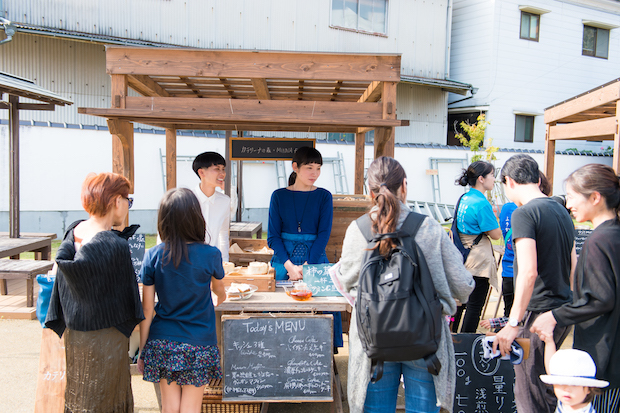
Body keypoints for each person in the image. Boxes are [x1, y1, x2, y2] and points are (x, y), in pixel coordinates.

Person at [335, 156, 474, 413]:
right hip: (424, 338)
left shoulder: (358, 230)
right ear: (405, 186)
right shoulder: (430, 228)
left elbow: (347, 280)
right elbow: (463, 286)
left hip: (373, 341)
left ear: (369, 190)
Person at [45, 172, 144, 413]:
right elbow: (128, 297)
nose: (128, 206)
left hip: (75, 333)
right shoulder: (114, 244)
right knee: (109, 398)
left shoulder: (73, 232)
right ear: (115, 201)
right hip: (107, 336)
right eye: (127, 200)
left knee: (81, 394)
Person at [531, 163, 620, 412]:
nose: (568, 204)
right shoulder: (613, 235)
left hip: (604, 351)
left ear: (595, 197)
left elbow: (601, 299)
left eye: (571, 197)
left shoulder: (599, 240)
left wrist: (554, 316)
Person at [493, 154, 575, 413]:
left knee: (529, 391)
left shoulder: (524, 214)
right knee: (547, 387)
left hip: (536, 314)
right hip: (561, 310)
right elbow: (573, 262)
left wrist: (513, 323)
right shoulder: (561, 210)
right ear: (537, 178)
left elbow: (528, 272)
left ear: (508, 181)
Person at [138, 188, 227, 413]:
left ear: (164, 220)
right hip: (199, 341)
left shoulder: (153, 255)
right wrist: (219, 297)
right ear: (196, 217)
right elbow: (219, 292)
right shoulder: (211, 254)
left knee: (170, 407)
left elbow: (147, 309)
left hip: (163, 341)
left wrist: (143, 350)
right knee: (191, 407)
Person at [267, 146, 343, 350]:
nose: (314, 173)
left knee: (319, 312)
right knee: (279, 311)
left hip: (315, 258)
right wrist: (291, 268)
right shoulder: (278, 196)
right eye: (309, 167)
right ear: (295, 167)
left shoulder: (324, 196)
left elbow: (323, 235)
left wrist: (308, 266)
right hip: (284, 262)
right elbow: (273, 237)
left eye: (318, 168)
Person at [481, 170, 551, 331]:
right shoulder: (535, 212)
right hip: (529, 278)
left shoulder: (507, 208)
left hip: (508, 271)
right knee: (528, 327)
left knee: (509, 318)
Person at [452, 161, 502, 333]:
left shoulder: (464, 199)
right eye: (492, 175)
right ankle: (466, 343)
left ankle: (452, 337)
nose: (494, 179)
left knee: (459, 303)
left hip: (463, 257)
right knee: (474, 307)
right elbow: (496, 235)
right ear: (481, 178)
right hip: (478, 261)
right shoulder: (481, 204)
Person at [540, 336, 608, 413]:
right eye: (561, 383)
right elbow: (551, 369)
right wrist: (549, 342)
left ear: (589, 388)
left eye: (574, 385)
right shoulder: (564, 403)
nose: (566, 389)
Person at [191, 151, 230, 262]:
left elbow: (223, 234)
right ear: (201, 172)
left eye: (223, 169)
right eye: (217, 169)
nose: (222, 173)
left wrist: (224, 262)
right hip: (189, 264)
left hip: (212, 263)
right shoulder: (186, 199)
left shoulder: (225, 201)